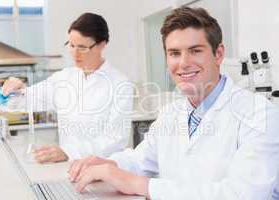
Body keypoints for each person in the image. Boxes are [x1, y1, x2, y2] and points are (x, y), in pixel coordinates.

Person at [68, 7, 279, 199]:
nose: (184, 63)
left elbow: (243, 194)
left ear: (219, 54)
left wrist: (141, 185)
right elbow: (142, 160)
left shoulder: (260, 114)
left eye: (195, 50)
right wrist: (108, 164)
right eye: (174, 53)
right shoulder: (171, 112)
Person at [1, 13, 134, 163]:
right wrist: (7, 91)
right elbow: (20, 102)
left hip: (102, 171)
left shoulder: (120, 84)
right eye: (71, 45)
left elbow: (115, 140)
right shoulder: (63, 78)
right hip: (67, 169)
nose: (74, 53)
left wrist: (68, 152)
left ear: (102, 45)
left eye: (82, 47)